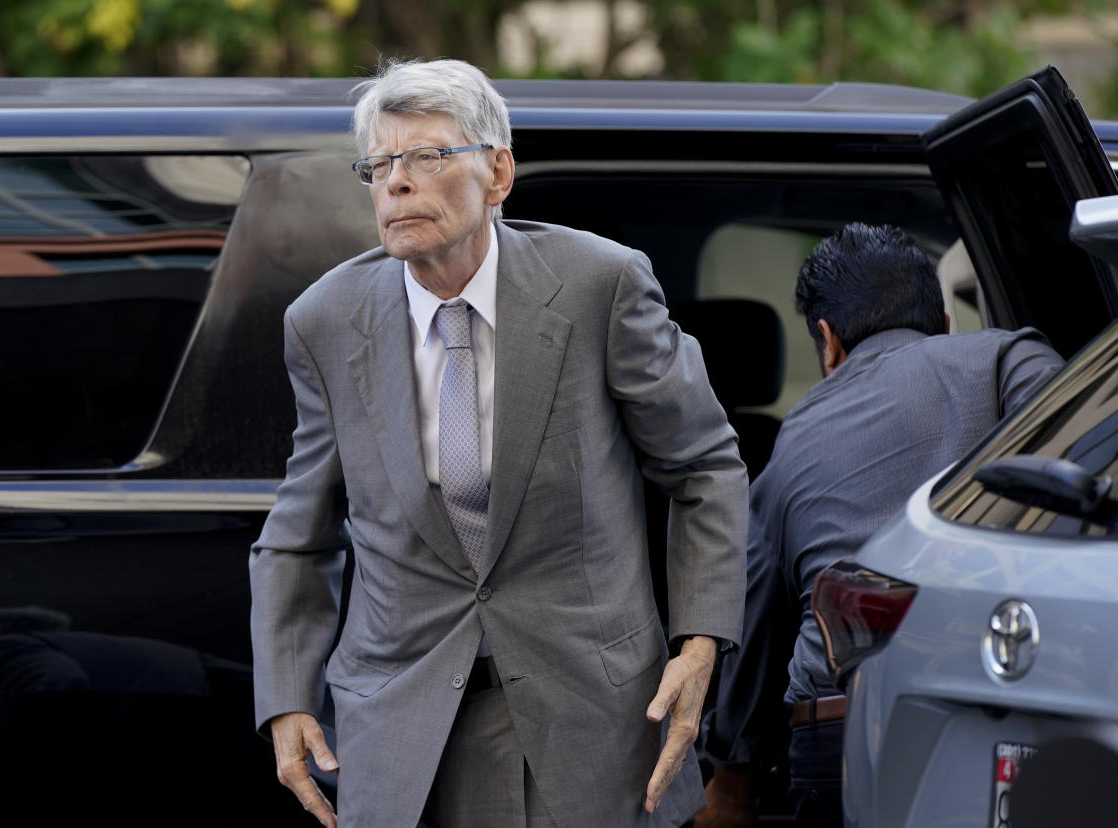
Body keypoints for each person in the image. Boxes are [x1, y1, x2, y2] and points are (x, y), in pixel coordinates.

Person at [248, 58, 748, 828]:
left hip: (591, 720)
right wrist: (285, 697)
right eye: (379, 165)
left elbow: (705, 467)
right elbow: (297, 534)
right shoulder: (326, 320)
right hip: (403, 730)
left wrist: (700, 640)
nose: (397, 183)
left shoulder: (597, 286)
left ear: (497, 171)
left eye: (425, 156)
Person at [697, 223, 1063, 828]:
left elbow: (753, 621)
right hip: (1015, 699)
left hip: (842, 736)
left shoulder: (794, 441)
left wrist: (730, 772)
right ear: (946, 323)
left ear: (828, 341)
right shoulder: (1008, 358)